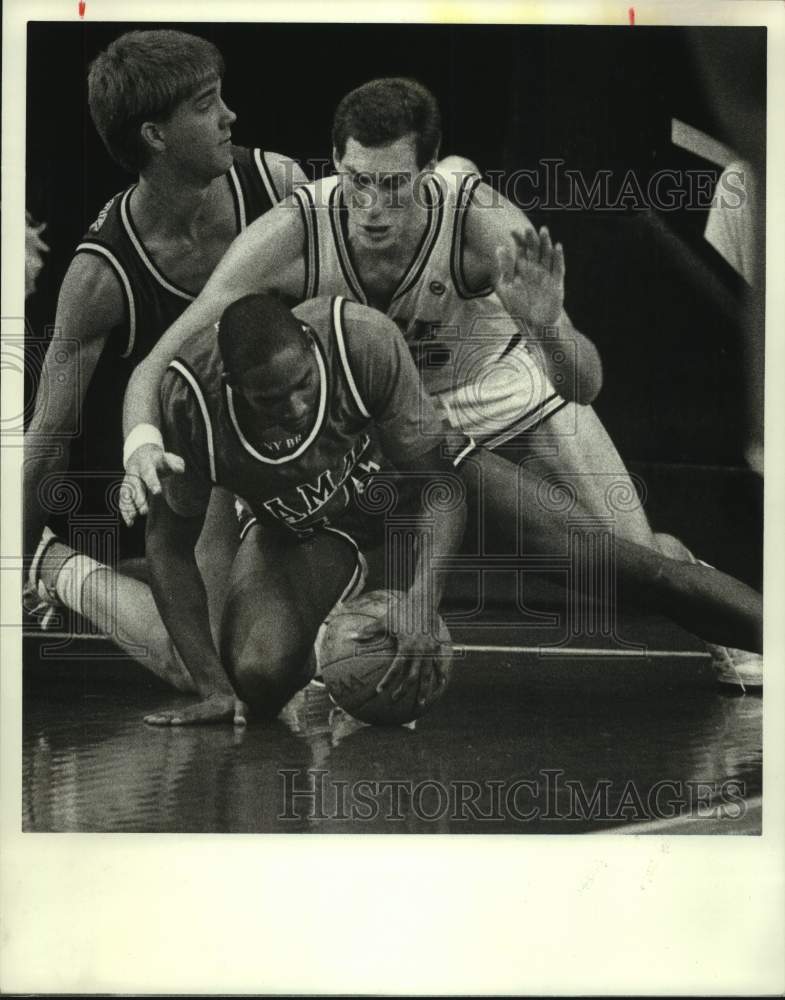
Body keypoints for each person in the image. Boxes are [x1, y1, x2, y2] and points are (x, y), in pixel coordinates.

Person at [119, 77, 762, 685]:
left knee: (633, 564)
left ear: (428, 172)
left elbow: (584, 384)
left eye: (394, 185)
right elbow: (159, 362)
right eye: (358, 181)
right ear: (336, 162)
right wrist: (141, 445)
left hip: (503, 393)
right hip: (381, 417)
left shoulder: (482, 222)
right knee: (263, 569)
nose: (373, 208)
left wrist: (547, 328)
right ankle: (325, 631)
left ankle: (713, 606)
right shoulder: (294, 231)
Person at [24, 29, 307, 669]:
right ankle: (51, 565)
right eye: (207, 105)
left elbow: (343, 331)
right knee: (211, 665)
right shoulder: (101, 274)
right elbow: (48, 440)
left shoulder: (277, 185)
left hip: (300, 446)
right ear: (155, 135)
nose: (230, 115)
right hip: (206, 470)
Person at [143, 293, 467, 724]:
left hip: (401, 491)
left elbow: (441, 486)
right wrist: (214, 688)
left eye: (304, 383)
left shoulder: (361, 339)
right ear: (232, 385)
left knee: (560, 536)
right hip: (305, 527)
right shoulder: (192, 403)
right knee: (257, 675)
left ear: (312, 346)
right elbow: (168, 547)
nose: (295, 407)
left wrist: (424, 599)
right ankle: (319, 638)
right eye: (271, 400)